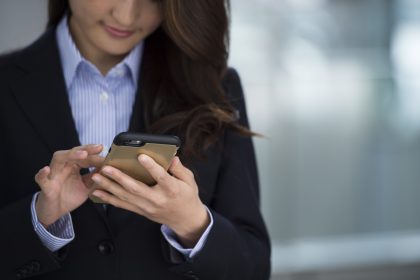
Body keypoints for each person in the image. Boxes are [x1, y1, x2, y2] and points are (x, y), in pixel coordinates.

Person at [0, 0, 271, 279]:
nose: (126, 16)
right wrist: (40, 217)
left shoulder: (215, 87)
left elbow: (254, 268)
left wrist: (191, 222)